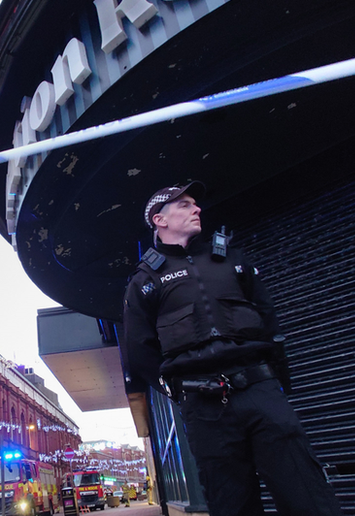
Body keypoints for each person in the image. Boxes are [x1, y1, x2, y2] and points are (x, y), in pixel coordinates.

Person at [121, 181, 343, 516]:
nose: (196, 209)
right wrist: (180, 392)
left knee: (305, 493)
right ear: (159, 220)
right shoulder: (145, 280)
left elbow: (268, 317)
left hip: (260, 390)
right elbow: (139, 350)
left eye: (195, 203)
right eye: (184, 205)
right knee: (231, 504)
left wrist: (274, 378)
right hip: (205, 407)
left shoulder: (228, 258)